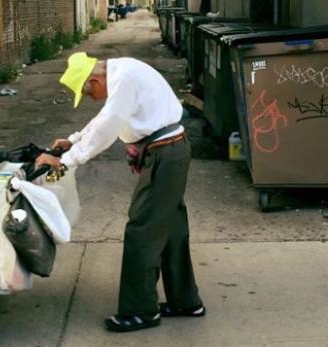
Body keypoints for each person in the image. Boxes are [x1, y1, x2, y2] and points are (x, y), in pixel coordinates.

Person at [35, 52, 205, 332]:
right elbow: (105, 117)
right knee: (171, 229)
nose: (93, 98)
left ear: (94, 79)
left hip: (165, 154)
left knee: (142, 229)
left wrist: (65, 161)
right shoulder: (121, 72)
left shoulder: (123, 79)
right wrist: (74, 140)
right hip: (170, 150)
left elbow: (108, 125)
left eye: (88, 93)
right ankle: (186, 302)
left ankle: (141, 310)